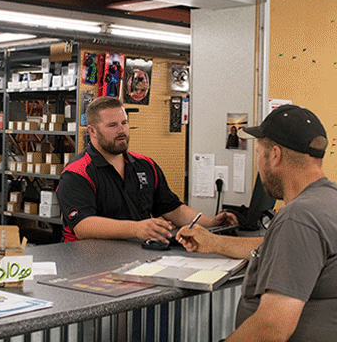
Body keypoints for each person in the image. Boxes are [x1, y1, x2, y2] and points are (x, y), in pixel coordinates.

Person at [174, 105, 337, 342]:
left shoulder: (300, 217)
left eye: (258, 154)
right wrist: (215, 242)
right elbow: (278, 248)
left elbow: (271, 329)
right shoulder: (334, 200)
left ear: (275, 155)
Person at [56, 96, 233, 242]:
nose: (122, 130)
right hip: (87, 263)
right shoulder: (77, 172)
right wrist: (137, 228)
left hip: (138, 256)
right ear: (92, 131)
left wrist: (210, 222)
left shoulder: (145, 165)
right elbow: (83, 226)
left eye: (124, 123)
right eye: (112, 125)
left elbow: (173, 209)